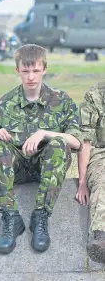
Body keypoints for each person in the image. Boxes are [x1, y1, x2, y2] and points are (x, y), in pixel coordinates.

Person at [0, 44, 83, 255]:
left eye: (36, 70)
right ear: (17, 70)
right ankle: (11, 218)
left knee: (59, 144)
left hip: (46, 169)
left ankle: (40, 217)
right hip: (15, 168)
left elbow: (76, 141)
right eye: (25, 71)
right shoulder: (5, 103)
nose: (31, 77)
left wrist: (45, 133)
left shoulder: (61, 101)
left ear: (45, 69)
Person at [76, 81, 105, 264]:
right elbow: (85, 141)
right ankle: (101, 237)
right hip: (101, 152)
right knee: (103, 181)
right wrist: (82, 182)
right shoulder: (95, 96)